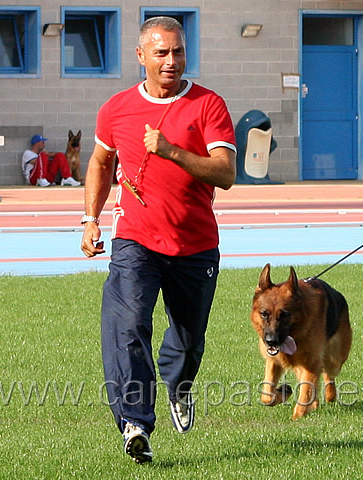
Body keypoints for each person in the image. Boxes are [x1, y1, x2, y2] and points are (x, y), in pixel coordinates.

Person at [80, 17, 236, 464]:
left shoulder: (208, 105)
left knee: (187, 343)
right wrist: (91, 219)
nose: (171, 61)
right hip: (135, 240)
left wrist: (170, 150)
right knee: (126, 325)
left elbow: (225, 173)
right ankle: (135, 424)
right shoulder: (116, 108)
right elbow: (99, 162)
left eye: (178, 52)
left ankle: (180, 385)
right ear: (141, 56)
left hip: (195, 244)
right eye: (162, 52)